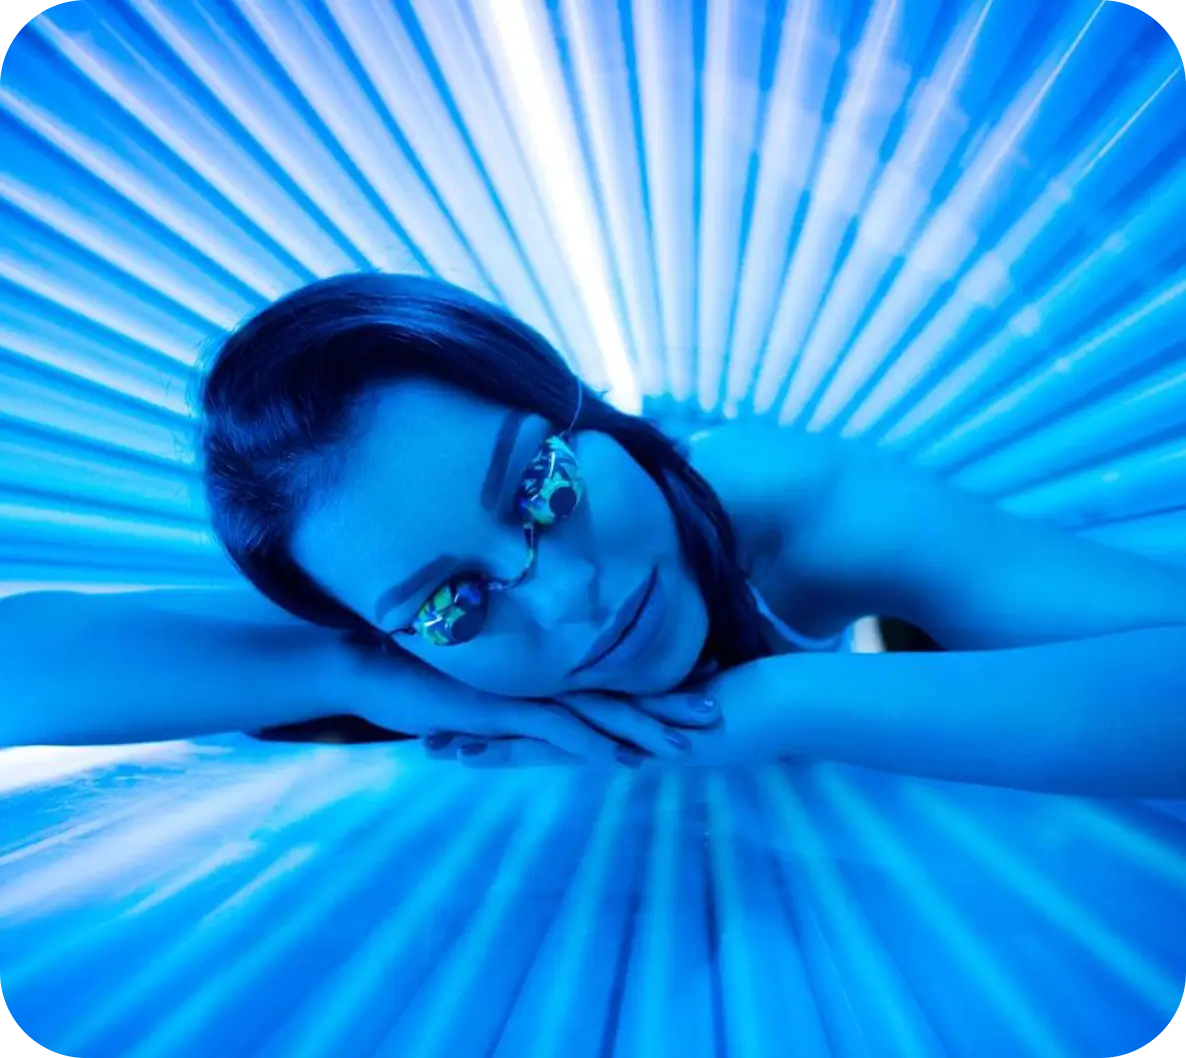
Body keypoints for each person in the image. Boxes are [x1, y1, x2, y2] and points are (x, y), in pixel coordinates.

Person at [3, 273, 1184, 798]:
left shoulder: (780, 502)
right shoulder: (379, 609)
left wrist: (777, 710)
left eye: (540, 485)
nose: (563, 593)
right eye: (453, 597)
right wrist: (355, 668)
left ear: (587, 411)